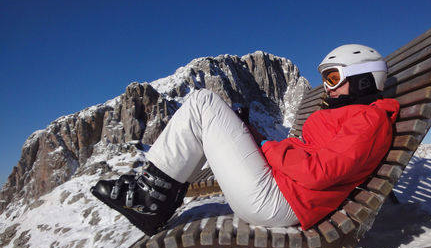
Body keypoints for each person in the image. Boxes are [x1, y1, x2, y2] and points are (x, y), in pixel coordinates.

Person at [91, 44, 400, 236]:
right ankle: (154, 195)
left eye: (333, 78)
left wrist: (266, 146)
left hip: (282, 202)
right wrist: (259, 142)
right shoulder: (353, 116)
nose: (328, 88)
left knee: (203, 103)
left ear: (363, 79)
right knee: (208, 118)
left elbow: (318, 172)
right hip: (278, 189)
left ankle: (150, 199)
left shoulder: (369, 121)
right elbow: (309, 158)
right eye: (325, 79)